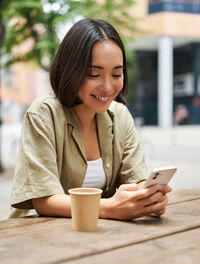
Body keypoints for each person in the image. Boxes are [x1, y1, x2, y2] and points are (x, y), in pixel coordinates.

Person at [8, 18, 171, 220]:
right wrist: (110, 208)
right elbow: (44, 200)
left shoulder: (119, 116)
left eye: (117, 74)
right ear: (70, 70)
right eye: (94, 74)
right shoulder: (43, 114)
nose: (107, 87)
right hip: (36, 234)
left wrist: (147, 198)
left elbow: (135, 181)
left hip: (98, 238)